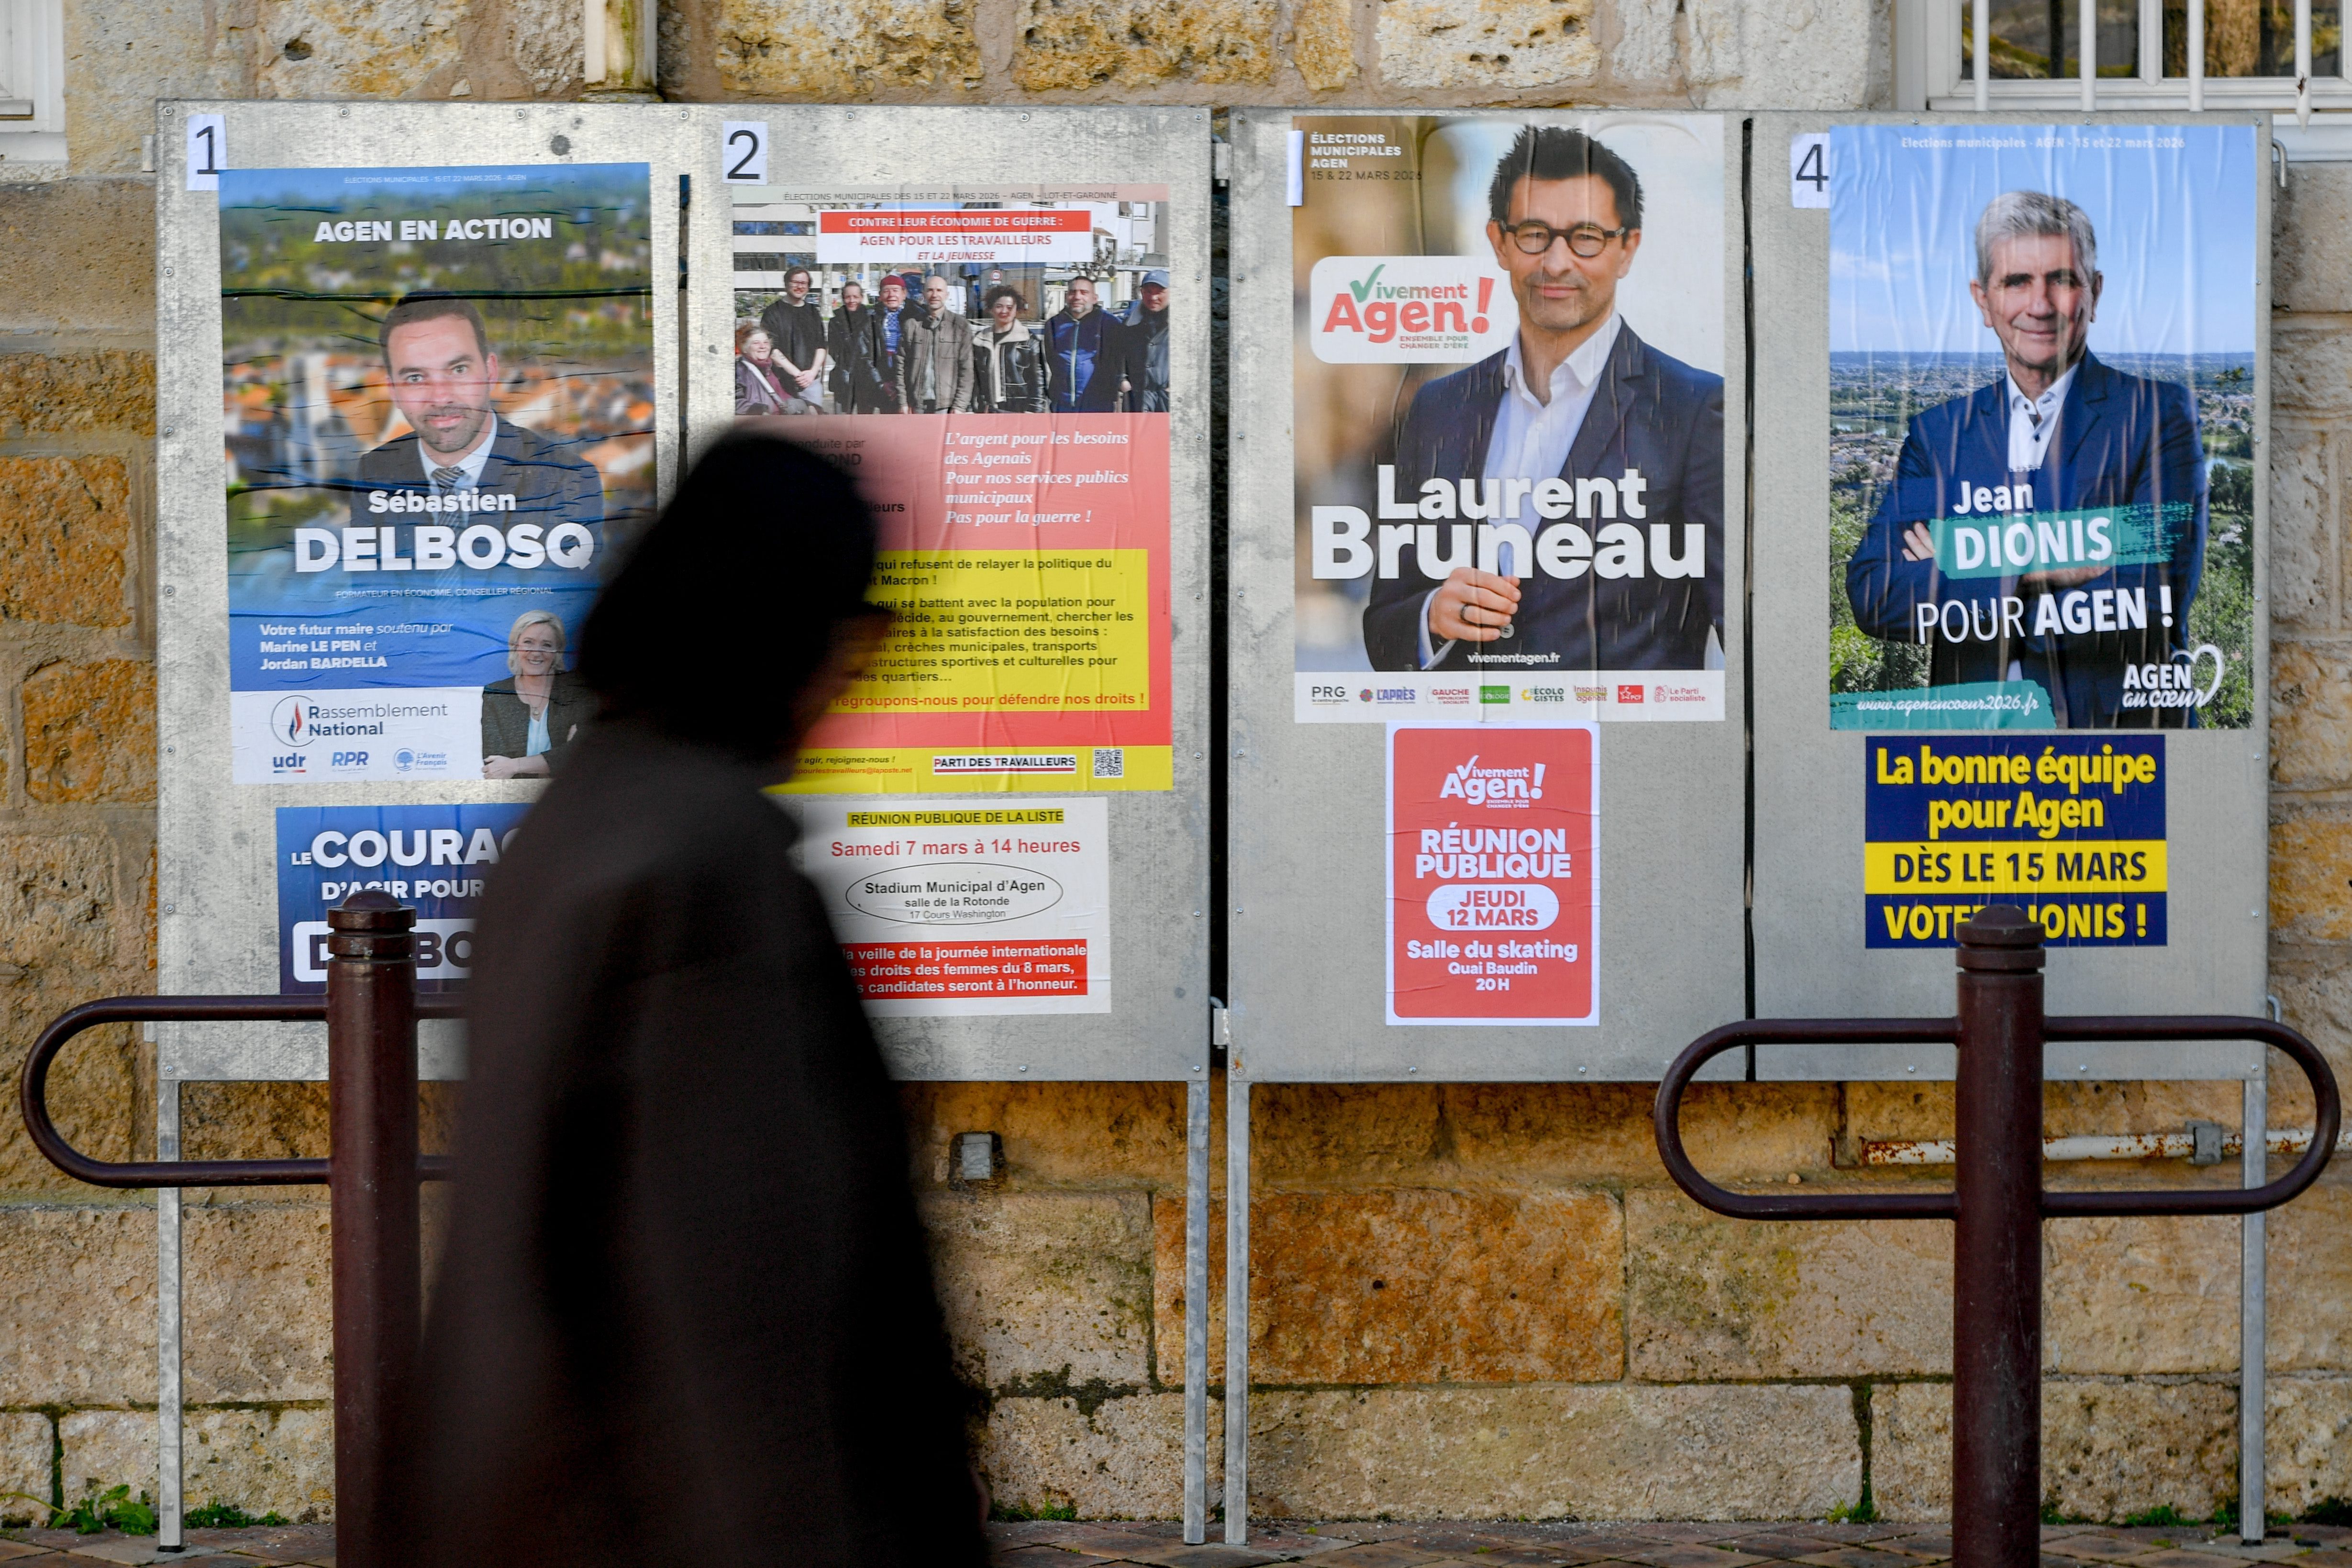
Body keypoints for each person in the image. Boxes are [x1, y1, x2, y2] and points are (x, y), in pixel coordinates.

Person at [409, 433, 988, 1568]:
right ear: (779, 629)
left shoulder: (581, 820)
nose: (859, 674)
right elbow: (746, 1304)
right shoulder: (704, 863)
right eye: (852, 632)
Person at [1362, 126, 1723, 673]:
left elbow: (1744, 628)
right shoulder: (1438, 408)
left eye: (1585, 237)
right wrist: (1431, 614)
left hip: (1622, 729)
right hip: (1465, 729)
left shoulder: (1693, 409)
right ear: (1499, 242)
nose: (1556, 263)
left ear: (1627, 248)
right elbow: (1383, 625)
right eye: (1534, 234)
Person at [1845, 190, 2208, 727]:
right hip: (1970, 754)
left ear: (2094, 293)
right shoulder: (1938, 435)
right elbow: (1874, 597)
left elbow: (2150, 599)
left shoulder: (2157, 416)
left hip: (2121, 746)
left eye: (2061, 280)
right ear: (1983, 300)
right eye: (2016, 282)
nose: (2039, 305)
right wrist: (2036, 567)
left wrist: (1960, 565)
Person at [355, 292, 604, 529]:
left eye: (459, 370)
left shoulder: (567, 480)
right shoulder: (373, 471)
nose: (441, 398)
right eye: (415, 378)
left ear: (491, 372)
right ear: (393, 391)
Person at [480, 609, 594, 778]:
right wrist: (558, 758)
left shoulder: (576, 689)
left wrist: (515, 765)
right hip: (515, 794)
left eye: (546, 645)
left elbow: (583, 752)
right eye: (528, 643)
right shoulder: (496, 694)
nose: (536, 652)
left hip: (569, 790)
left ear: (558, 651)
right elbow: (495, 765)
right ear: (515, 647)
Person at [1043, 275, 1131, 413]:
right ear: (1067, 297)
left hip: (1098, 405)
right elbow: (1051, 360)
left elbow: (1120, 360)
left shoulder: (1110, 324)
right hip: (1062, 405)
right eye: (1073, 292)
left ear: (1095, 298)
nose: (1077, 297)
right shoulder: (1053, 325)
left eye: (1084, 293)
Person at [897, 274, 974, 414]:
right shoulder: (912, 325)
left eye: (939, 291)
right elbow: (900, 366)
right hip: (917, 405)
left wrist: (960, 405)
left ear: (946, 295)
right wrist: (903, 401)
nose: (935, 295)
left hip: (947, 406)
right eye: (930, 290)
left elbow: (967, 370)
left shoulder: (960, 326)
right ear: (924, 294)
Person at [756, 267, 829, 414]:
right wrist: (798, 374)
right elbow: (772, 349)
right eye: (795, 282)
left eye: (804, 283)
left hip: (811, 382)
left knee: (814, 424)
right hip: (782, 382)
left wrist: (812, 373)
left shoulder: (813, 312)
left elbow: (821, 346)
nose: (799, 286)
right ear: (786, 284)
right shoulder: (773, 312)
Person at [971, 284, 1047, 413]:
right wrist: (971, 408)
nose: (1004, 311)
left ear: (1017, 310)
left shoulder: (1028, 340)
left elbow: (1038, 381)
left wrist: (1035, 412)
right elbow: (973, 379)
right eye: (999, 306)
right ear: (991, 309)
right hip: (987, 410)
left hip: (1019, 411)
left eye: (1010, 307)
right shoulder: (980, 340)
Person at [826, 280, 888, 413]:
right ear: (843, 298)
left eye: (856, 297)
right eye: (848, 297)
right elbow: (833, 350)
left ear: (861, 297)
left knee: (865, 418)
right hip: (844, 376)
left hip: (866, 378)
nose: (852, 301)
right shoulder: (835, 321)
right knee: (842, 419)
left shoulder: (871, 319)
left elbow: (875, 347)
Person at [1119, 269, 1170, 412]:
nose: (1153, 297)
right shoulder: (1129, 325)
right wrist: (1122, 381)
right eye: (1148, 292)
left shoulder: (1185, 326)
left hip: (1169, 401)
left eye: (1159, 292)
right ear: (1142, 292)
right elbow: (1118, 358)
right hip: (1137, 399)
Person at [875, 275, 922, 413]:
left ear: (904, 293)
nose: (891, 295)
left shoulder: (917, 316)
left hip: (911, 379)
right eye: (886, 291)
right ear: (880, 296)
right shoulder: (873, 319)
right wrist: (882, 382)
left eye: (895, 290)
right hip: (884, 378)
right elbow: (867, 353)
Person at [733, 324, 795, 416]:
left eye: (766, 342)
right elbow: (735, 401)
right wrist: (760, 411)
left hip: (779, 420)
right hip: (757, 422)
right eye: (756, 343)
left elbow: (787, 396)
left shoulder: (774, 369)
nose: (763, 346)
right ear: (745, 349)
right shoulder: (740, 370)